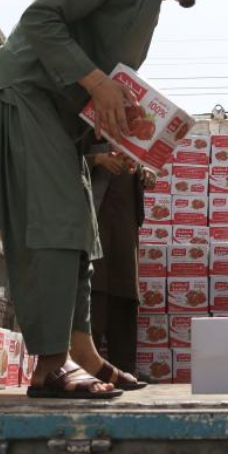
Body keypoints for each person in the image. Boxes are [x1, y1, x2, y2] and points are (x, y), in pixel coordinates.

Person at [0, 0, 228, 398]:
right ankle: (51, 366)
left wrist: (126, 126)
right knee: (56, 224)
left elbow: (101, 82)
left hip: (65, 124)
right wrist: (99, 84)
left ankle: (85, 355)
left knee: (82, 233)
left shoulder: (149, 8)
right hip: (24, 96)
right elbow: (39, 19)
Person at [85, 144, 154, 378]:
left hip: (125, 215)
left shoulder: (134, 127)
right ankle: (86, 367)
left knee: (125, 288)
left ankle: (125, 368)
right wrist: (98, 159)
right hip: (94, 210)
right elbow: (59, 154)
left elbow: (140, 163)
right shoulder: (86, 119)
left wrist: (145, 172)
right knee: (95, 285)